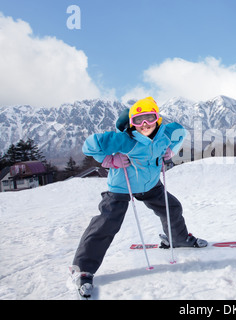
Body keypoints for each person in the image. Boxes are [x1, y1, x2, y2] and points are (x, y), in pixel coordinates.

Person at [71, 97, 207, 297]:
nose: (144, 125)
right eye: (139, 120)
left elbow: (180, 131)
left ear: (157, 119)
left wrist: (170, 150)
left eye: (149, 119)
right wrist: (109, 159)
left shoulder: (165, 135)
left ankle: (177, 239)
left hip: (151, 184)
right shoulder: (124, 139)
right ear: (132, 123)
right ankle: (83, 269)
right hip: (121, 186)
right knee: (107, 223)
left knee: (172, 208)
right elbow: (89, 145)